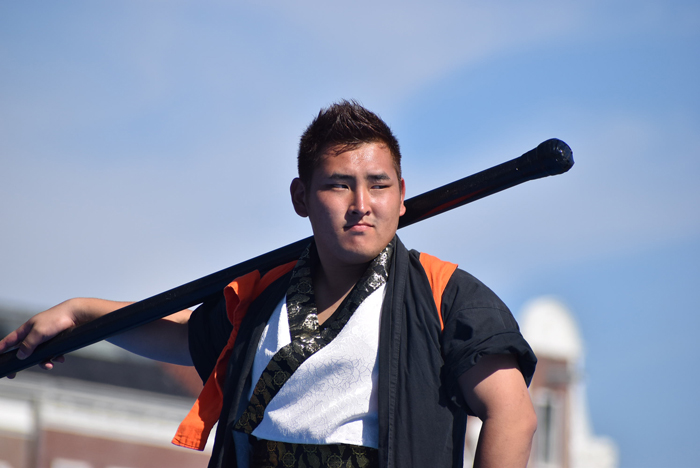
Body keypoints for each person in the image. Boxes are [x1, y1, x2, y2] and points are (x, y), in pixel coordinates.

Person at [0, 100, 537, 468]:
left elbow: (512, 413)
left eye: (378, 185)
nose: (361, 206)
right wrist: (82, 314)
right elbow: (183, 335)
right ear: (301, 198)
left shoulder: (445, 294)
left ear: (401, 194)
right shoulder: (264, 294)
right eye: (337, 185)